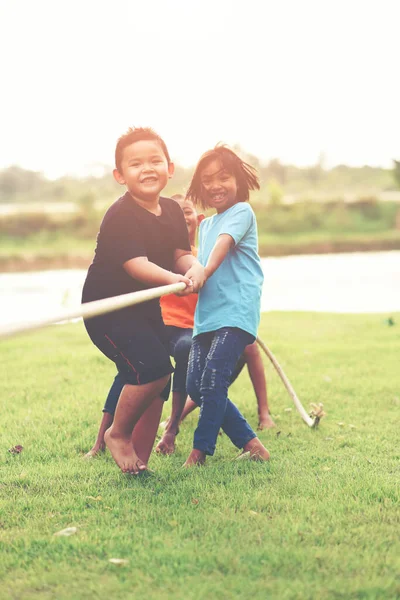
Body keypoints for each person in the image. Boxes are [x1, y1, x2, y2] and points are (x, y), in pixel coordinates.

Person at [81, 127, 204, 474]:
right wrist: (176, 281)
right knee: (153, 368)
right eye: (135, 163)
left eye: (155, 160)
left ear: (170, 168)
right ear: (120, 175)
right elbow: (137, 266)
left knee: (159, 379)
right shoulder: (120, 215)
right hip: (109, 310)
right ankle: (116, 434)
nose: (147, 168)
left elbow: (181, 253)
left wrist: (195, 269)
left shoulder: (170, 210)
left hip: (146, 309)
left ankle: (139, 462)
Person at [183, 145, 270, 466]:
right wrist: (188, 277)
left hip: (235, 312)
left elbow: (223, 246)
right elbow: (196, 263)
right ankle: (252, 445)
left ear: (238, 180)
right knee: (195, 383)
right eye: (207, 180)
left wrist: (204, 270)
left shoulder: (242, 212)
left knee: (213, 377)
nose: (215, 185)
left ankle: (199, 451)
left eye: (224, 177)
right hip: (207, 316)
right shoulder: (205, 226)